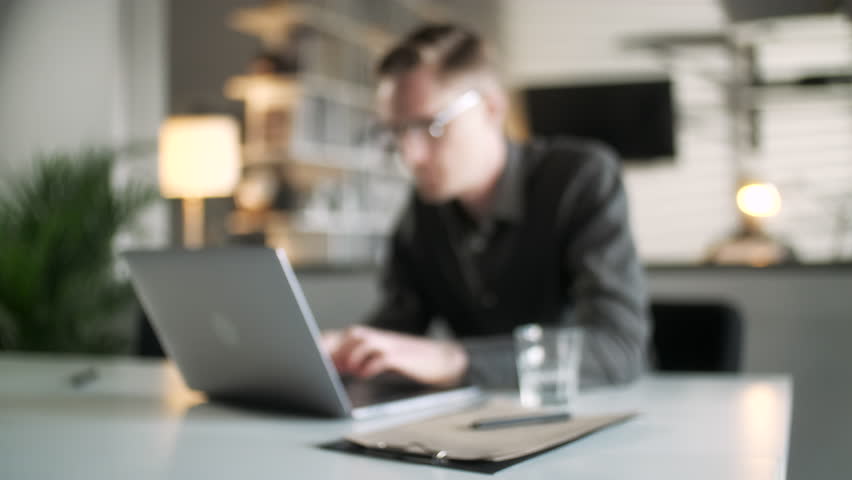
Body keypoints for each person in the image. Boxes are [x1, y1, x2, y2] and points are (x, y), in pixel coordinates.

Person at [323, 23, 649, 389]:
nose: (409, 156)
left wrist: (452, 358)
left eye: (430, 126)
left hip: (594, 408)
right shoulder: (423, 213)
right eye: (396, 132)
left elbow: (618, 348)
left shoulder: (579, 178)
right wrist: (341, 350)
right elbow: (399, 326)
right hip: (482, 414)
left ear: (492, 108)